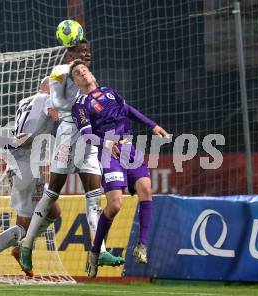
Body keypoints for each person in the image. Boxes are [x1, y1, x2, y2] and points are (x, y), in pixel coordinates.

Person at [19, 40, 125, 272]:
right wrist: (81, 102)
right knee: (52, 192)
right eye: (81, 51)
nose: (87, 54)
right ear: (70, 55)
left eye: (88, 51)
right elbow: (55, 102)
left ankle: (101, 250)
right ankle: (26, 244)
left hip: (89, 139)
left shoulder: (90, 80)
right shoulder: (59, 72)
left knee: (94, 197)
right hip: (68, 134)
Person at [69, 59, 169, 277]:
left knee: (146, 191)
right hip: (109, 152)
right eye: (77, 73)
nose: (82, 73)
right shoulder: (80, 105)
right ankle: (95, 252)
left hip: (129, 149)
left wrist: (153, 125)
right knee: (114, 206)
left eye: (84, 70)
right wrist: (107, 144)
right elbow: (87, 136)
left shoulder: (110, 92)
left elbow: (129, 110)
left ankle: (142, 246)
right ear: (76, 82)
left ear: (92, 74)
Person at [0, 77, 60, 277]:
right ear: (47, 88)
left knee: (53, 211)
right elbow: (55, 118)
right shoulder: (45, 99)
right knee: (22, 227)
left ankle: (22, 246)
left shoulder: (25, 101)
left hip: (28, 166)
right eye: (55, 86)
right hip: (24, 168)